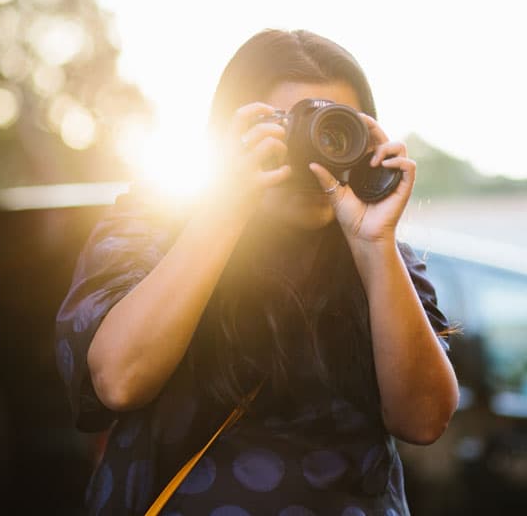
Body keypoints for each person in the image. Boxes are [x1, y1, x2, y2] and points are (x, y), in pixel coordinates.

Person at [55, 29, 459, 516]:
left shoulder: (382, 259)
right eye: (286, 129)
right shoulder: (153, 230)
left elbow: (424, 421)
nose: (312, 155)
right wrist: (227, 206)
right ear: (230, 137)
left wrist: (374, 244)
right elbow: (120, 379)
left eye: (333, 129)